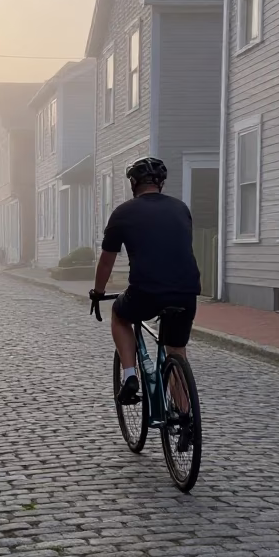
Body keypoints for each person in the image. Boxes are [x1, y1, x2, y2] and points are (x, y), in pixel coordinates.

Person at [91, 157, 201, 405]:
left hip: (146, 292)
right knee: (175, 350)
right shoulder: (181, 208)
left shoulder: (123, 213)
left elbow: (106, 261)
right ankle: (184, 419)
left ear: (133, 183)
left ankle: (130, 376)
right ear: (160, 183)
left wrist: (98, 292)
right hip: (186, 291)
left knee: (120, 315)